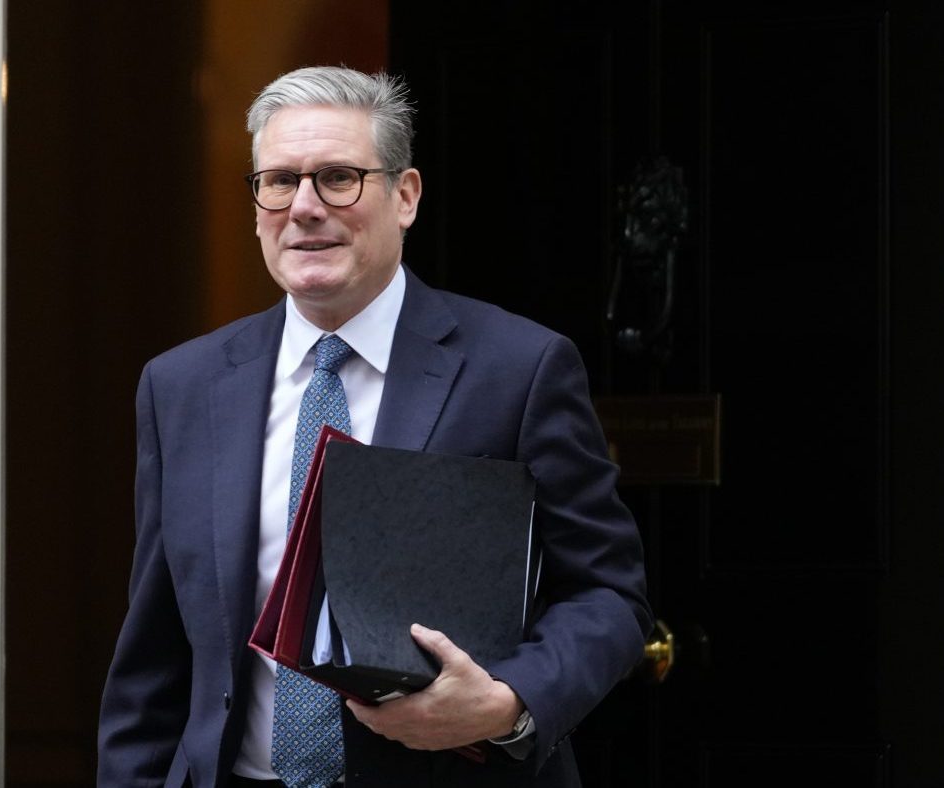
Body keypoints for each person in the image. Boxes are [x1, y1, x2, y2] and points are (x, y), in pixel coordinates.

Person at [97, 66, 652, 788]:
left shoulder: (519, 370)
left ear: (406, 195)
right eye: (278, 181)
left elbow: (608, 593)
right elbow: (154, 648)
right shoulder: (183, 387)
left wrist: (507, 704)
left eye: (338, 178)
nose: (304, 207)